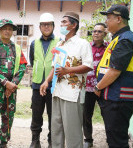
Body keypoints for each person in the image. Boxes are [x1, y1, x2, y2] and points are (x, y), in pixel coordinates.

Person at [40, 12, 93, 148]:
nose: (61, 25)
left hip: (73, 94)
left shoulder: (82, 43)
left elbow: (88, 66)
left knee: (73, 132)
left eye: (64, 22)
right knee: (56, 130)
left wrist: (67, 70)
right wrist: (46, 81)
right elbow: (55, 67)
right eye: (61, 22)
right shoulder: (60, 44)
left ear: (74, 25)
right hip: (57, 92)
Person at [95, 4, 133, 148]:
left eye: (109, 18)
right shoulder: (119, 38)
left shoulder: (125, 40)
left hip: (118, 99)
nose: (106, 22)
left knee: (117, 142)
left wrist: (98, 86)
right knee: (114, 138)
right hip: (115, 97)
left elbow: (115, 71)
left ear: (119, 19)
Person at [0, 19, 27, 148]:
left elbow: (22, 66)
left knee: (8, 116)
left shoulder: (17, 48)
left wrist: (12, 84)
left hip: (11, 89)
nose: (7, 31)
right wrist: (5, 83)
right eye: (4, 28)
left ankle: (4, 142)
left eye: (10, 29)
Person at [29, 13, 60, 148]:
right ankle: (35, 140)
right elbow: (32, 60)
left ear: (53, 26)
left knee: (53, 116)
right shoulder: (34, 43)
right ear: (40, 27)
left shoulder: (59, 42)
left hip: (54, 86)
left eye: (49, 24)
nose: (46, 27)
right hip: (37, 85)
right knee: (36, 115)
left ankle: (51, 140)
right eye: (43, 24)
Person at [83, 23, 108, 148]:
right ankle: (88, 139)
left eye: (99, 31)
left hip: (104, 87)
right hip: (88, 88)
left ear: (105, 34)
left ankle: (110, 138)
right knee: (86, 115)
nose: (96, 33)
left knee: (107, 114)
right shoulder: (86, 47)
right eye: (94, 31)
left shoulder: (109, 48)